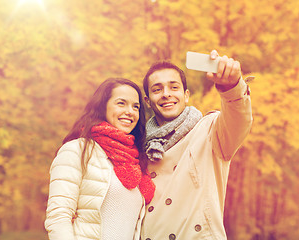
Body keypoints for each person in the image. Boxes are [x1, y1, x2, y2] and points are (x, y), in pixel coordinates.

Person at [140, 50, 253, 239]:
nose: (166, 94)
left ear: (186, 95)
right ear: (148, 101)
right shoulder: (141, 147)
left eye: (173, 87)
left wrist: (232, 86)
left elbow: (239, 120)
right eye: (157, 89)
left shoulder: (210, 131)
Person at [44, 78, 155, 240]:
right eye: (121, 103)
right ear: (102, 106)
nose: (130, 111)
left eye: (135, 106)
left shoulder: (137, 162)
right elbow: (58, 218)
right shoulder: (77, 150)